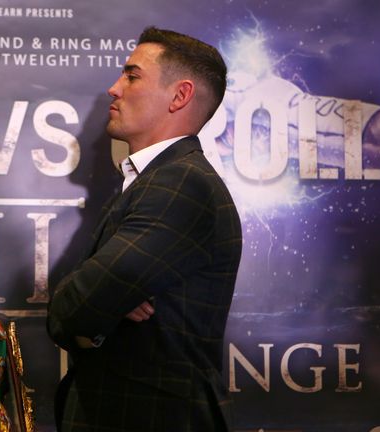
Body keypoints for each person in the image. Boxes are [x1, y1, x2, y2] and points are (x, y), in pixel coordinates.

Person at [47, 26, 243, 431]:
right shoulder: (155, 179)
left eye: (132, 76)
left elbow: (75, 312)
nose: (113, 88)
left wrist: (93, 303)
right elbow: (89, 301)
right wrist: (105, 301)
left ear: (180, 95)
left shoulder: (180, 183)